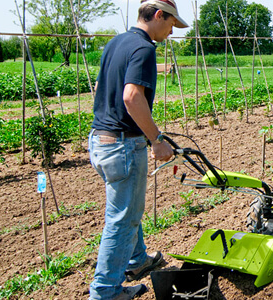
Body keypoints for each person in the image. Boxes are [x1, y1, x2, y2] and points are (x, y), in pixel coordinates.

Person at [87, 0, 188, 299]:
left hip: (100, 139)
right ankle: (105, 291)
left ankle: (137, 259)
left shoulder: (116, 42)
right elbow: (132, 97)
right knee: (123, 218)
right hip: (122, 144)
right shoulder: (144, 49)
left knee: (127, 207)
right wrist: (156, 139)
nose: (171, 32)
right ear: (159, 15)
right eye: (171, 25)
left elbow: (103, 88)